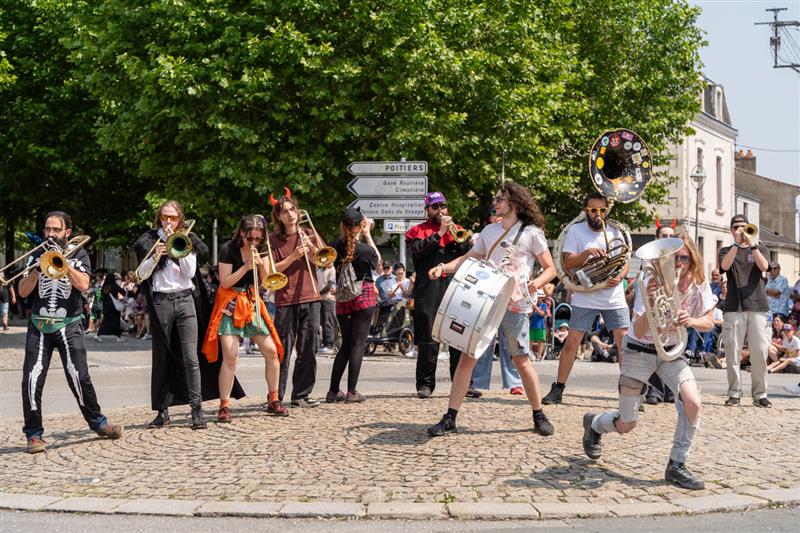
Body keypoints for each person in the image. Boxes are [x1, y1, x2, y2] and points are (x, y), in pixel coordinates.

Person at [582, 233, 712, 490]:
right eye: (672, 258)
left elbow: (709, 321)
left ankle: (677, 464)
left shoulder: (698, 283)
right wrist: (653, 300)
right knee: (628, 423)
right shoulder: (649, 281)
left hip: (672, 351)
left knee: (693, 402)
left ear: (692, 259)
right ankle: (595, 424)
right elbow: (640, 329)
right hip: (639, 350)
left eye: (683, 258)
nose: (678, 263)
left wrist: (691, 321)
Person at [426, 181, 557, 437]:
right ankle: (450, 417)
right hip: (485, 303)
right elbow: (468, 259)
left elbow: (550, 269)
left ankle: (538, 414)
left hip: (515, 303)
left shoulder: (531, 233)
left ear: (515, 204)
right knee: (467, 357)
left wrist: (535, 284)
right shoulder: (488, 231)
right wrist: (444, 267)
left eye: (500, 199)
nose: (495, 202)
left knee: (521, 360)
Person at [18, 211, 123, 453]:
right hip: (39, 325)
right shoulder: (35, 254)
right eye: (47, 229)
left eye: (55, 230)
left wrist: (63, 264)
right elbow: (23, 292)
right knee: (31, 379)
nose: (50, 234)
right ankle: (34, 434)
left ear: (67, 233)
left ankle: (98, 423)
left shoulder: (80, 254)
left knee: (79, 377)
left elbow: (84, 285)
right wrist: (36, 269)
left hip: (69, 324)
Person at [134, 200, 231, 429]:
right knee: (162, 357)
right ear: (159, 218)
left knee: (191, 357)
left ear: (179, 219)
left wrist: (175, 251)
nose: (169, 222)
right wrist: (156, 256)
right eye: (165, 217)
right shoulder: (148, 240)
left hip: (185, 300)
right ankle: (162, 410)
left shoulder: (187, 239)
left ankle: (196, 410)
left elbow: (189, 272)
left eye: (173, 218)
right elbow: (141, 275)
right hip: (161, 301)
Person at [542, 192, 630, 405]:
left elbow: (625, 260)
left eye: (602, 210)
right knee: (571, 342)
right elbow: (568, 262)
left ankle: (630, 393)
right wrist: (588, 253)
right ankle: (558, 388)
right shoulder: (575, 230)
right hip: (585, 295)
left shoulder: (616, 231)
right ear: (586, 211)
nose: (598, 214)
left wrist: (619, 276)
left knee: (624, 344)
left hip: (613, 297)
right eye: (593, 210)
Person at [203, 214, 285, 421]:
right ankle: (224, 405)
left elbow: (267, 282)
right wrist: (246, 266)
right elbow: (225, 282)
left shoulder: (263, 249)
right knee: (231, 356)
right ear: (242, 233)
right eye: (251, 239)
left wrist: (259, 265)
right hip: (231, 302)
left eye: (259, 239)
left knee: (272, 351)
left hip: (252, 301)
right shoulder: (228, 249)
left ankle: (273, 399)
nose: (255, 243)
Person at [405, 192, 474, 399]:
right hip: (428, 288)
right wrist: (439, 233)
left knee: (457, 336)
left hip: (454, 287)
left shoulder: (457, 229)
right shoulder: (417, 231)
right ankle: (425, 384)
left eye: (443, 206)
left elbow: (468, 253)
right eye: (435, 207)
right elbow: (418, 253)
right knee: (428, 336)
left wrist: (455, 235)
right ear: (427, 210)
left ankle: (462, 384)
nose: (441, 211)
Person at [268, 191, 323, 407]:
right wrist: (293, 257)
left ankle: (301, 394)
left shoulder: (309, 233)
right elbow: (271, 269)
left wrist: (311, 246)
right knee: (282, 350)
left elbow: (324, 260)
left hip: (312, 297)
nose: (290, 214)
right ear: (278, 217)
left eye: (292, 209)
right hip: (286, 299)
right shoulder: (273, 239)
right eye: (285, 211)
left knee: (309, 348)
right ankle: (276, 397)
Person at [327, 208, 379, 403]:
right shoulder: (366, 250)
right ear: (360, 226)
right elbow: (378, 263)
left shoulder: (335, 246)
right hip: (363, 295)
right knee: (358, 344)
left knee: (345, 345)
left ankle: (333, 391)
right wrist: (368, 235)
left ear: (342, 226)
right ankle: (351, 392)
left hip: (343, 298)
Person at [719, 215, 772, 408]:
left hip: (758, 306)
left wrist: (752, 245)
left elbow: (764, 266)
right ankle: (734, 392)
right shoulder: (726, 250)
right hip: (734, 307)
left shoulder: (760, 248)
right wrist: (736, 244)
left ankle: (760, 394)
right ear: (731, 230)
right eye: (736, 227)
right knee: (733, 353)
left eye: (743, 226)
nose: (740, 230)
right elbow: (724, 267)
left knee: (759, 353)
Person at [317, 263, 337, 356]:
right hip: (320, 299)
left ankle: (330, 345)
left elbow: (329, 285)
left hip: (328, 299)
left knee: (328, 322)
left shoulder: (331, 269)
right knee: (322, 322)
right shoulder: (319, 270)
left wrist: (318, 293)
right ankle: (324, 344)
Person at [97, 272, 125, 339]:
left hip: (106, 306)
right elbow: (123, 292)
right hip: (113, 306)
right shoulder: (114, 285)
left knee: (106, 320)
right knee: (116, 321)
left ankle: (100, 333)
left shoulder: (104, 286)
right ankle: (117, 334)